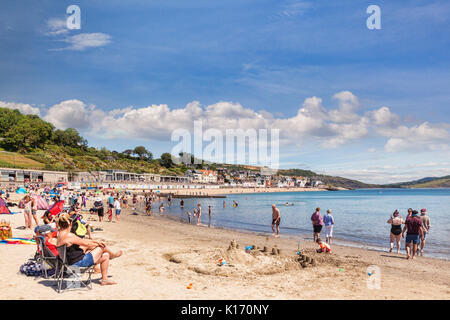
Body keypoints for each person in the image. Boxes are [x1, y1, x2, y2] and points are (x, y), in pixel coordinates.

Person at [56, 213, 122, 286]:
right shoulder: (69, 236)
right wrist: (98, 243)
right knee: (102, 247)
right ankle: (113, 255)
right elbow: (86, 243)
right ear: (70, 223)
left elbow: (83, 241)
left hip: (70, 263)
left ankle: (104, 280)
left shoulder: (60, 234)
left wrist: (96, 242)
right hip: (77, 264)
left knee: (106, 255)